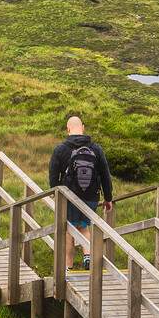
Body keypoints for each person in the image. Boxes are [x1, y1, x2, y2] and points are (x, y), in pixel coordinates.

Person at [48, 114, 115, 270]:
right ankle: (87, 256)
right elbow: (105, 174)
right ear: (83, 128)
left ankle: (68, 267)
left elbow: (53, 174)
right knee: (84, 227)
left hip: (68, 197)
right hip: (91, 197)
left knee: (68, 231)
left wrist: (55, 192)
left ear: (68, 129)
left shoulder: (60, 149)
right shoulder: (96, 149)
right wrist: (108, 198)